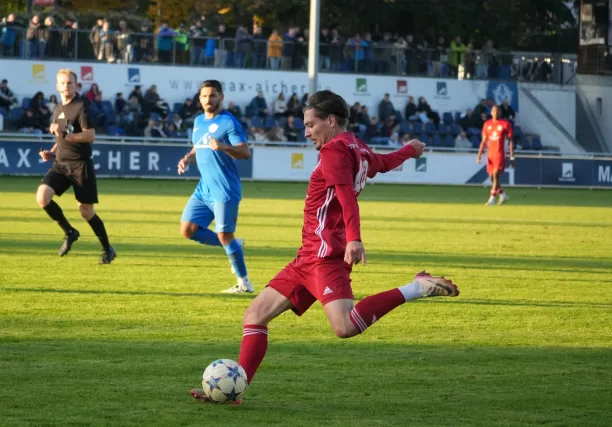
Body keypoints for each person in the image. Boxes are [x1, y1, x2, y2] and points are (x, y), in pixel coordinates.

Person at [189, 90, 460, 404]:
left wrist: (355, 238)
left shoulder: (333, 151)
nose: (306, 132)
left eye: (310, 124)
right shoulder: (354, 145)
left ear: (331, 121)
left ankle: (418, 288)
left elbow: (345, 195)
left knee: (344, 326)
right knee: (255, 315)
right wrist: (409, 151)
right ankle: (236, 390)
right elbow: (382, 163)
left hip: (324, 256)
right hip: (307, 256)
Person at [177, 80, 253, 293]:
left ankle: (244, 284)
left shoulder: (229, 122)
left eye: (212, 96)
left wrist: (224, 147)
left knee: (223, 236)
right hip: (204, 189)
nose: (208, 100)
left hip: (224, 189)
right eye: (204, 96)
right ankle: (234, 245)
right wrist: (187, 158)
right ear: (199, 98)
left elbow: (245, 152)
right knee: (187, 230)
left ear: (221, 97)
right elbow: (198, 144)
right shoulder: (199, 120)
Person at [36, 69, 116, 264]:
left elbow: (90, 136)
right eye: (62, 83)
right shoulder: (58, 109)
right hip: (61, 164)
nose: (66, 86)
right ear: (57, 86)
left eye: (70, 83)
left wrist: (65, 135)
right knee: (42, 197)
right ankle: (70, 232)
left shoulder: (82, 107)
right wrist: (52, 151)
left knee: (86, 211)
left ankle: (107, 249)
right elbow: (60, 135)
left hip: (80, 165)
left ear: (76, 85)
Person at [476, 105, 514, 206]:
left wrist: (512, 157)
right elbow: (483, 141)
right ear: (491, 113)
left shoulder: (505, 124)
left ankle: (492, 198)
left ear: (500, 113)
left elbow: (510, 141)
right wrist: (479, 154)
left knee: (496, 174)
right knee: (492, 177)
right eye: (493, 111)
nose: (495, 113)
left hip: (500, 154)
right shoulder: (487, 124)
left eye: (497, 111)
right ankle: (503, 194)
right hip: (490, 155)